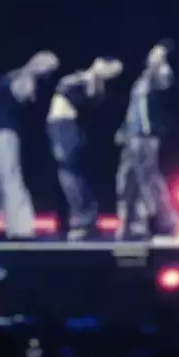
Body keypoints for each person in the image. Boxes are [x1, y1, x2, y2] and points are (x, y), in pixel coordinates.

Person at [0, 51, 60, 240]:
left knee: (9, 176)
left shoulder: (28, 80)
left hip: (7, 131)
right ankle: (8, 223)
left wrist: (31, 79)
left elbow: (23, 96)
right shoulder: (14, 75)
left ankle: (22, 227)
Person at [46, 57, 123, 241]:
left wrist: (92, 82)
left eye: (114, 74)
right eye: (110, 69)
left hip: (66, 126)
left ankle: (85, 220)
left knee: (70, 173)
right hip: (57, 126)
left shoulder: (94, 88)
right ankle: (69, 219)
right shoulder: (81, 79)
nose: (110, 74)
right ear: (99, 62)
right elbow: (64, 87)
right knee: (64, 174)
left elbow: (80, 100)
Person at [115, 40, 179, 241]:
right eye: (153, 53)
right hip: (131, 136)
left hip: (146, 136)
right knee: (127, 180)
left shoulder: (160, 75)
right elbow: (133, 107)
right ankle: (130, 222)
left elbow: (166, 84)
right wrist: (123, 129)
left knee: (149, 178)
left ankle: (163, 221)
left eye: (159, 54)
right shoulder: (142, 79)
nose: (154, 56)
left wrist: (161, 63)